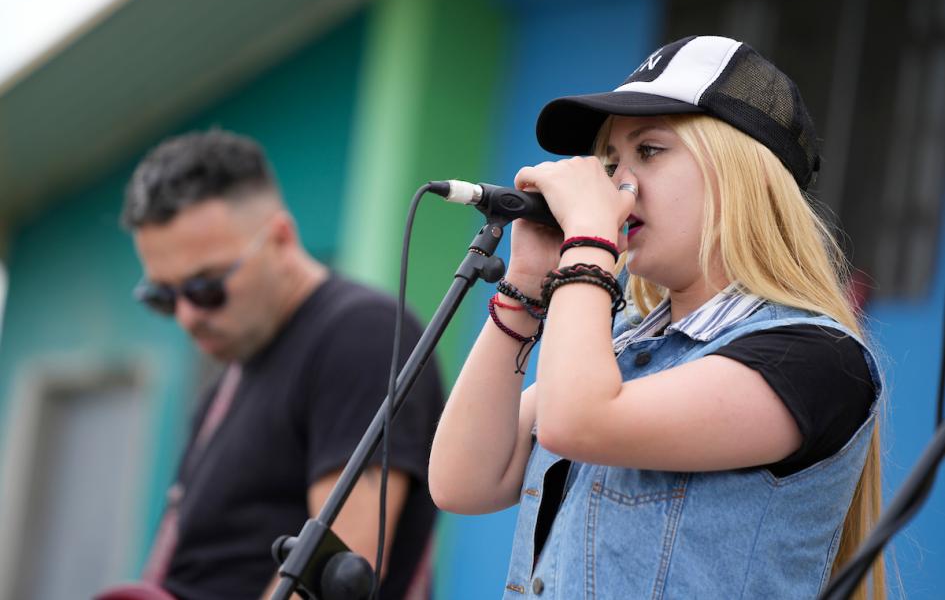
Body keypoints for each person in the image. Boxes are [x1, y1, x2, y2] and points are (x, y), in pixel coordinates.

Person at [428, 35, 886, 599]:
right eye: (611, 161)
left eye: (649, 151)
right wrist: (525, 290)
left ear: (740, 173)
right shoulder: (617, 350)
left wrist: (590, 240)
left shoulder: (815, 357)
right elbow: (464, 480)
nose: (618, 183)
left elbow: (580, 422)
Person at [109, 129, 444, 600]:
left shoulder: (360, 335)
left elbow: (336, 574)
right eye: (163, 296)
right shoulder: (233, 374)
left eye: (206, 287)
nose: (187, 316)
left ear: (281, 239)